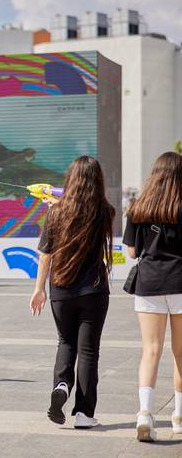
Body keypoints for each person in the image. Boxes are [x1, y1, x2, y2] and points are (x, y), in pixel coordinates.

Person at [29, 156, 115, 430]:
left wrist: (38, 289)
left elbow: (45, 256)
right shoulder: (105, 211)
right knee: (89, 352)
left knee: (65, 342)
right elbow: (83, 210)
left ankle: (62, 387)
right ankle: (84, 414)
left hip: (60, 290)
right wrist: (63, 203)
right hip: (94, 290)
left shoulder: (55, 213)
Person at [123, 151, 182, 441]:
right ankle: (179, 415)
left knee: (151, 350)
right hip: (181, 281)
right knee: (180, 352)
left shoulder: (138, 207)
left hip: (149, 284)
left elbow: (132, 251)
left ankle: (145, 414)